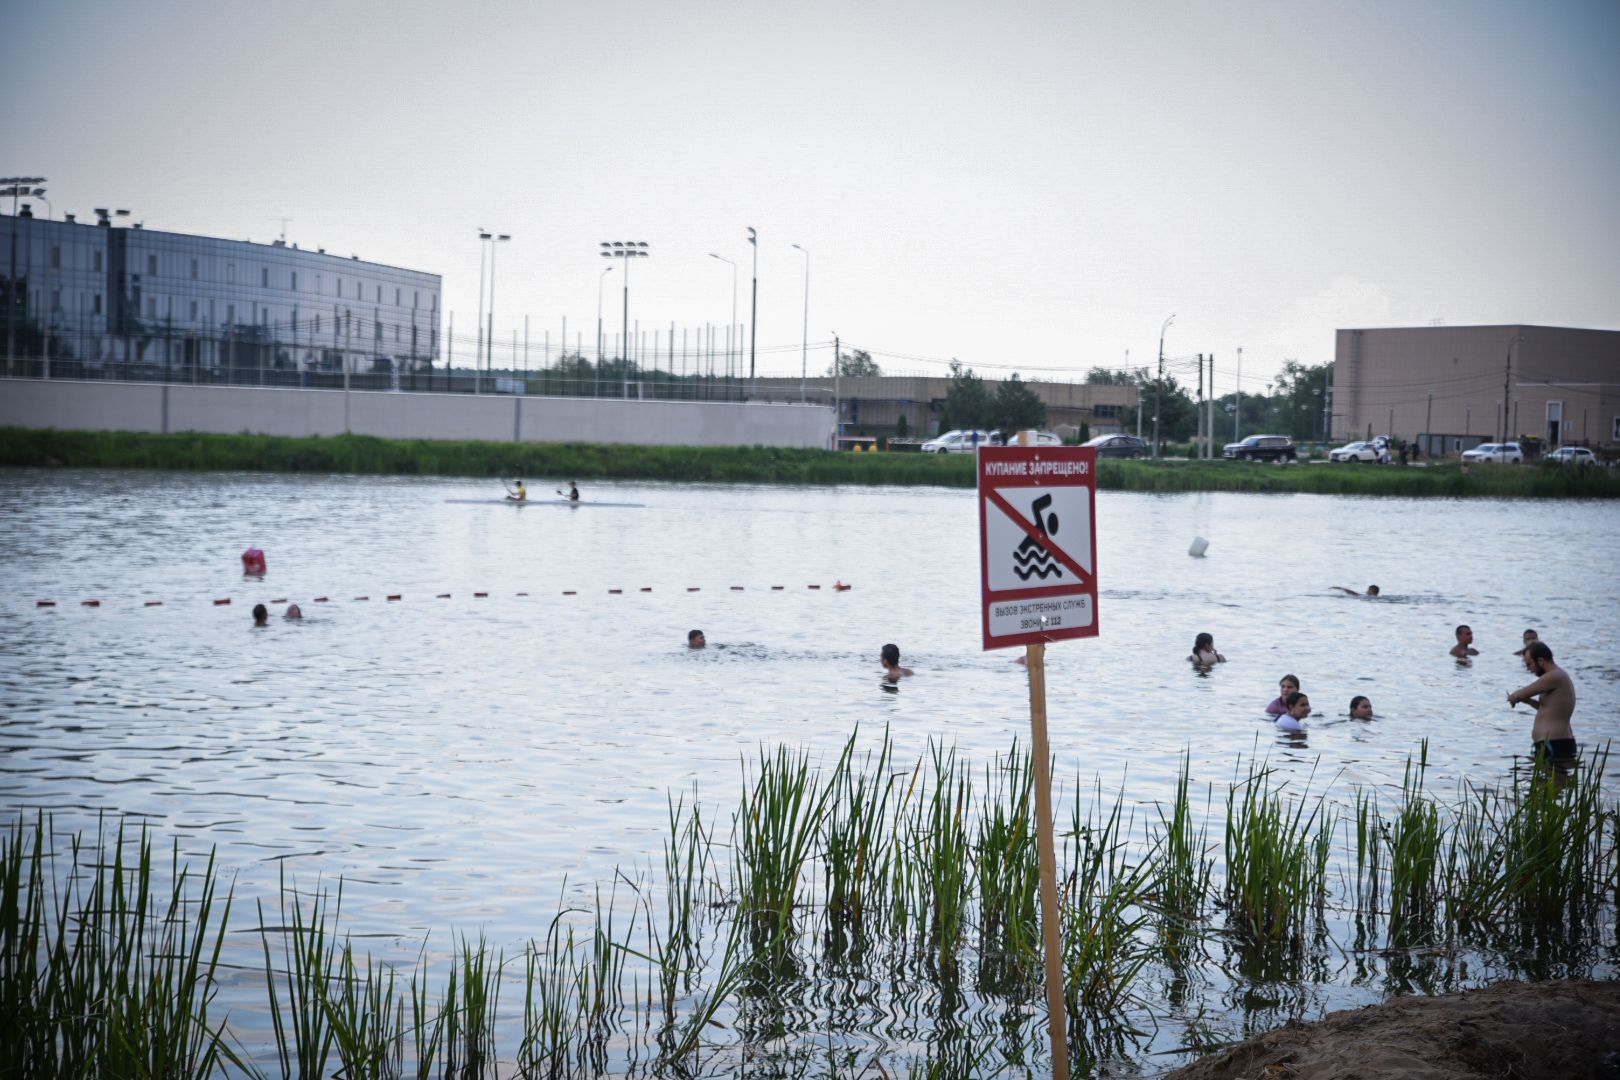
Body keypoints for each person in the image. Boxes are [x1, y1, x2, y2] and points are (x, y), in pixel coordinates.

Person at [1507, 641, 1577, 767]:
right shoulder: (1559, 676)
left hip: (1554, 744)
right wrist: (1528, 701)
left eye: (1529, 664)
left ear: (1540, 660)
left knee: (1552, 780)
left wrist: (1513, 697)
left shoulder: (1554, 676)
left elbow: (1519, 694)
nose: (1528, 669)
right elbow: (1546, 708)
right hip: (1557, 742)